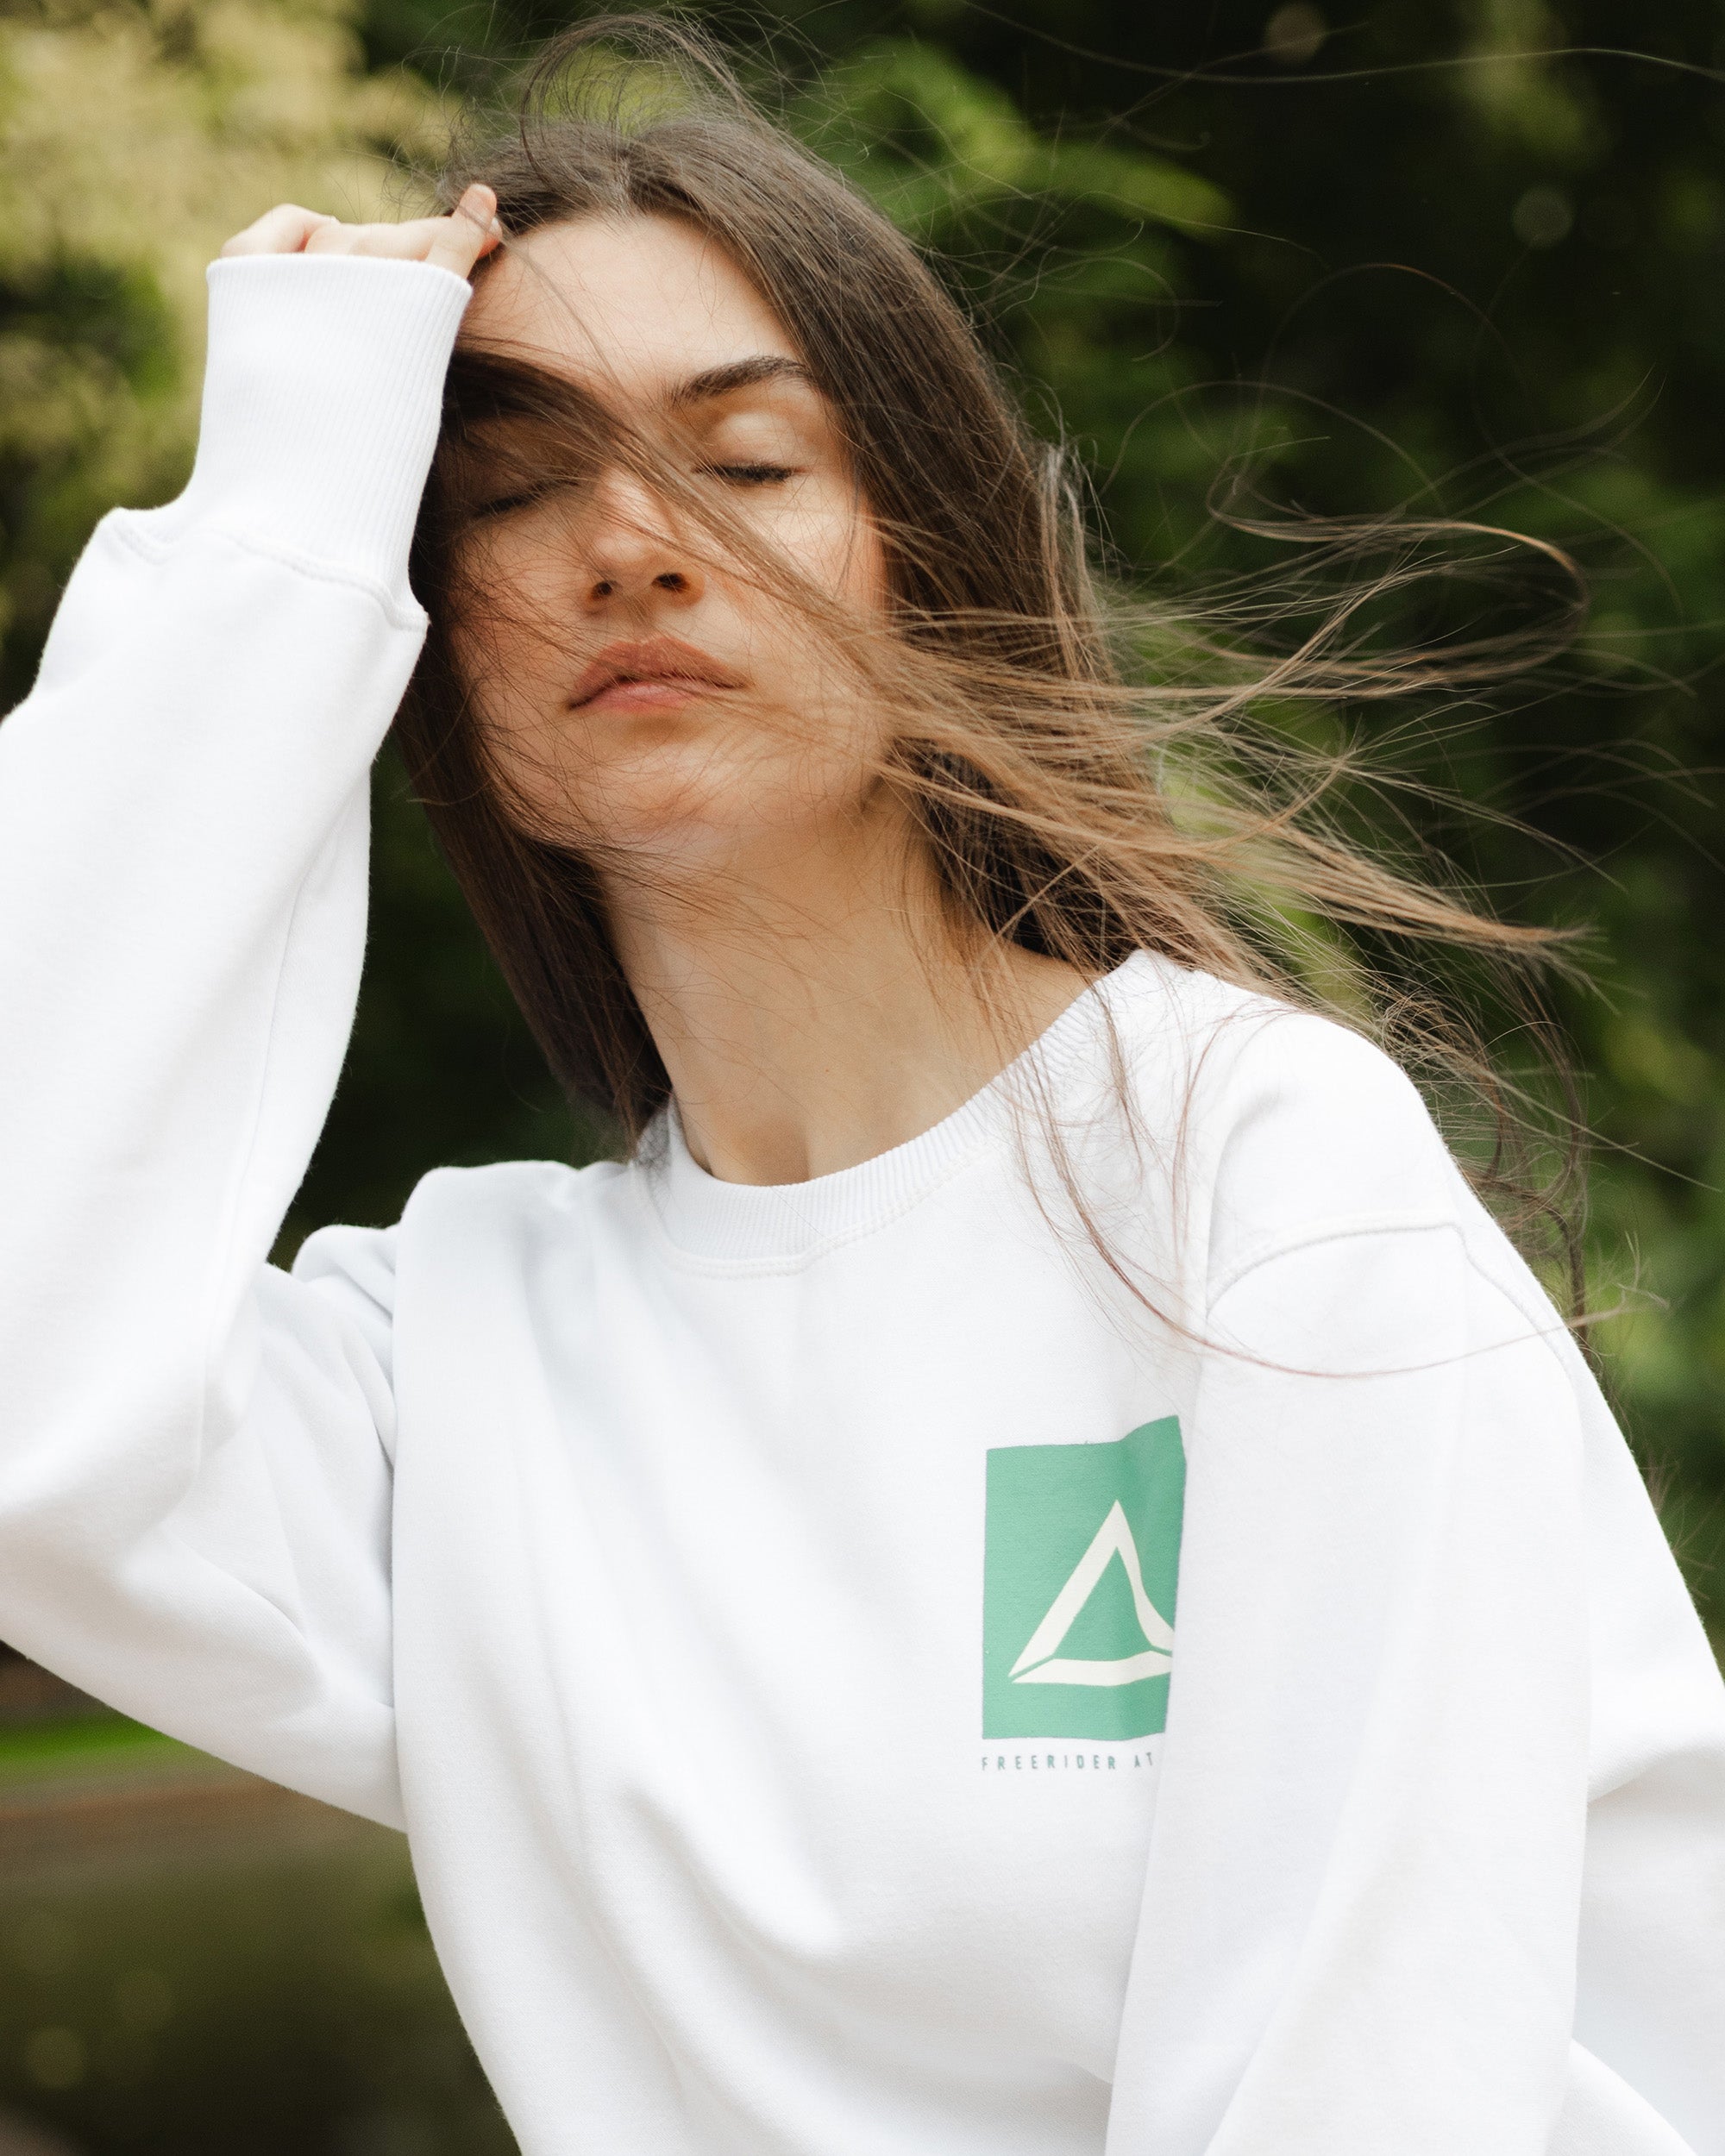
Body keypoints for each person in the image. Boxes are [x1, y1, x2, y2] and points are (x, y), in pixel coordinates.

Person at [1, 22, 1721, 2155]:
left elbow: (1369, 2093)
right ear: (430, 627)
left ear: (924, 546)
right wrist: (275, 522)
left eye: (749, 460)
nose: (629, 542)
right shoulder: (462, 1351)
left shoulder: (1254, 1169)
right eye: (509, 489)